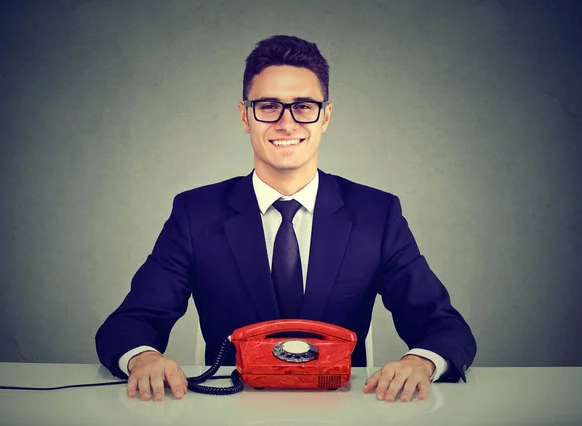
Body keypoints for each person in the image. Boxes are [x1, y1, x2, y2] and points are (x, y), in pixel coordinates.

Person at [95, 34, 477, 403]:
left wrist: (421, 361)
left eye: (304, 107)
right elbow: (132, 321)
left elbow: (443, 325)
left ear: (325, 117)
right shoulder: (196, 213)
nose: (286, 123)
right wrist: (143, 357)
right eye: (268, 106)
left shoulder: (376, 214)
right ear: (246, 116)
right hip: (229, 409)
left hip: (343, 410)